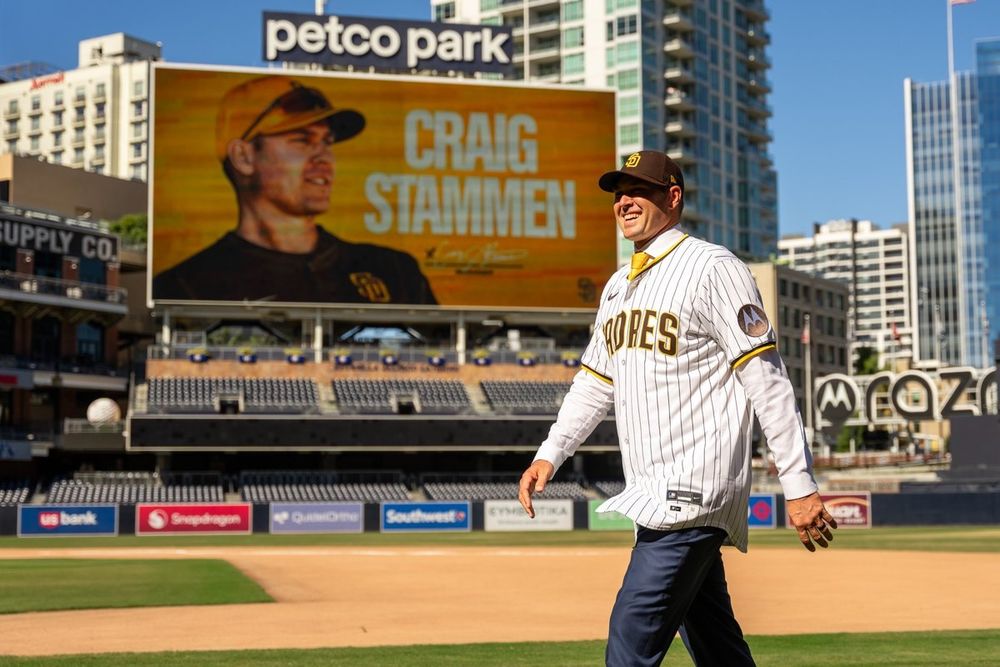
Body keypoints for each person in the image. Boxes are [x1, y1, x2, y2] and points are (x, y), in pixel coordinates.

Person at [518, 150, 836, 666]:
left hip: (693, 491)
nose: (625, 201)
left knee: (630, 643)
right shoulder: (619, 285)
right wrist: (549, 453)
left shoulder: (713, 267)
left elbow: (767, 380)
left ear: (672, 197)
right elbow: (596, 382)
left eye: (639, 190)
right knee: (715, 643)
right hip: (654, 492)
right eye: (619, 192)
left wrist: (798, 486)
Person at [153, 76, 437, 305]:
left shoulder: (395, 270)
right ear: (244, 157)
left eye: (327, 141)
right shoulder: (186, 286)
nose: (324, 157)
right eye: (302, 140)